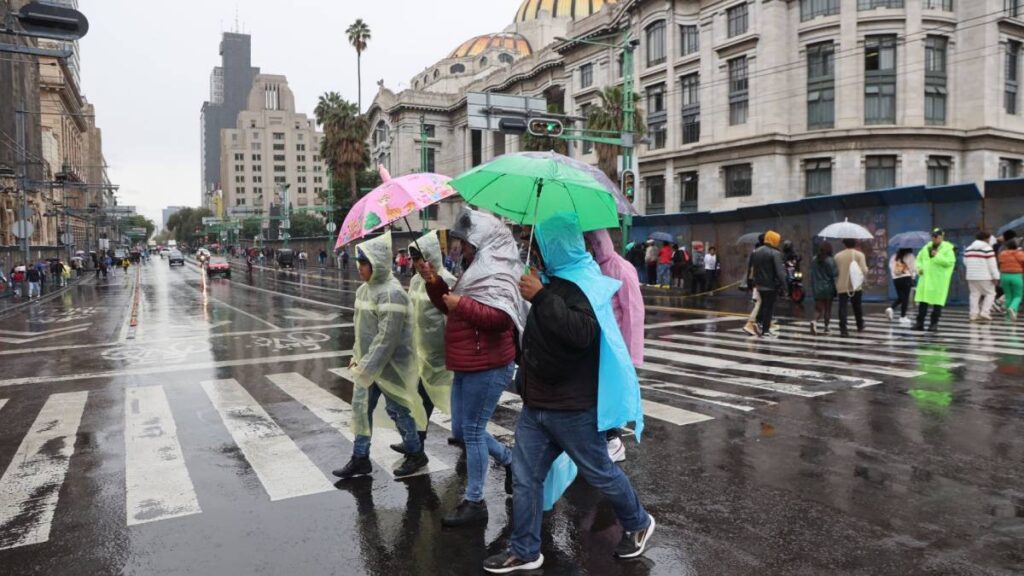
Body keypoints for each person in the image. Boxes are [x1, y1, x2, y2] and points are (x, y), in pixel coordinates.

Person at [484, 213, 652, 573]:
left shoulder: (587, 283)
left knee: (602, 472)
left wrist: (542, 296)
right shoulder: (548, 281)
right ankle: (525, 549)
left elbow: (582, 334)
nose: (538, 250)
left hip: (574, 407)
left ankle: (638, 522)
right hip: (538, 404)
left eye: (542, 242)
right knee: (526, 477)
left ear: (556, 244)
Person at [422, 208, 526, 527]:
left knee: (473, 431)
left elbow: (501, 319)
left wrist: (461, 304)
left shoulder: (496, 273)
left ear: (480, 243)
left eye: (464, 243)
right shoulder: (474, 270)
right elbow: (452, 308)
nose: (460, 248)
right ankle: (509, 460)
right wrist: (434, 282)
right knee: (461, 430)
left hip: (490, 364)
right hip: (467, 361)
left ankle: (475, 501)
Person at [332, 232, 429, 480]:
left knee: (398, 410)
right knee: (361, 409)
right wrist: (357, 356)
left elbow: (387, 338)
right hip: (368, 365)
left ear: (378, 263)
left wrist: (367, 365)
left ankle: (416, 453)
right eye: (359, 262)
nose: (360, 268)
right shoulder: (365, 290)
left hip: (390, 366)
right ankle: (360, 458)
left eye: (364, 263)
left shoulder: (391, 293)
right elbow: (360, 329)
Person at [585, 228, 645, 463]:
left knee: (610, 394)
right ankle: (604, 438)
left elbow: (634, 312)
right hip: (596, 342)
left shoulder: (620, 267)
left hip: (614, 344)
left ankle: (613, 440)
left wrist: (631, 355)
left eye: (591, 241)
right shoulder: (593, 267)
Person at [405, 232, 456, 450]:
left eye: (420, 258)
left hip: (443, 356)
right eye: (414, 259)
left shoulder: (448, 281)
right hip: (421, 353)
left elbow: (452, 319)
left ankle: (416, 447)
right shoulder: (415, 282)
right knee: (421, 399)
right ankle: (416, 445)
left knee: (434, 399)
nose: (416, 263)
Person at [914, 228, 956, 333]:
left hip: (938, 281)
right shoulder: (926, 248)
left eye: (937, 236)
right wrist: (919, 269)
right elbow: (918, 260)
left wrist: (937, 255)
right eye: (933, 236)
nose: (935, 238)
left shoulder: (947, 249)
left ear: (942, 237)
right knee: (923, 302)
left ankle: (934, 324)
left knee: (937, 303)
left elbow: (949, 262)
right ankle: (919, 323)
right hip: (926, 279)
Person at [749, 231, 786, 338]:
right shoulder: (775, 253)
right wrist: (785, 286)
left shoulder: (757, 251)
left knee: (764, 305)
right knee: (769, 307)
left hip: (759, 284)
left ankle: (759, 323)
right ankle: (765, 330)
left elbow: (753, 268)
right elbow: (780, 272)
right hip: (771, 285)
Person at [834, 239, 868, 337]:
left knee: (842, 307)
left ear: (844, 244)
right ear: (855, 243)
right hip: (855, 285)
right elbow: (864, 270)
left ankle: (843, 329)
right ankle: (860, 325)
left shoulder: (837, 256)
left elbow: (835, 271)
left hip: (842, 284)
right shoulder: (859, 255)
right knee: (857, 306)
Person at [964, 231, 1000, 322]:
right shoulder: (987, 248)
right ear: (986, 239)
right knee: (991, 293)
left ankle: (973, 315)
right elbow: (992, 264)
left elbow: (965, 262)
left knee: (974, 295)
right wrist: (996, 276)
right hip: (985, 276)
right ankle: (985, 312)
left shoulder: (968, 248)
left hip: (971, 276)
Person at [810, 243, 838, 335]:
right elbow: (834, 273)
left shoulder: (814, 260)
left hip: (817, 287)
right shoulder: (830, 260)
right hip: (828, 287)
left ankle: (814, 321)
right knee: (827, 308)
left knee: (818, 308)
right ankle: (826, 327)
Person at [742, 234, 765, 337]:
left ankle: (757, 324)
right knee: (759, 303)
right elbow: (752, 268)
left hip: (755, 281)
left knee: (759, 303)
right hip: (760, 282)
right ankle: (750, 324)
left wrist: (749, 281)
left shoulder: (755, 252)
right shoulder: (761, 252)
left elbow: (750, 268)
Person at [886, 248, 917, 325]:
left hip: (896, 279)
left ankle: (891, 308)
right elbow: (913, 268)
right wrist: (913, 278)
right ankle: (903, 317)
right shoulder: (910, 256)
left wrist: (894, 276)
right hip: (906, 278)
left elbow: (891, 267)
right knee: (905, 298)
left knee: (901, 297)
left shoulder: (894, 256)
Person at [998, 239, 1024, 321]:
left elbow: (999, 263)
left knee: (1008, 296)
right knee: (1018, 296)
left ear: (1007, 246)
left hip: (1004, 276)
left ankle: (1009, 317)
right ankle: (1013, 308)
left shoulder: (1002, 254)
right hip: (1017, 276)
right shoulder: (1020, 254)